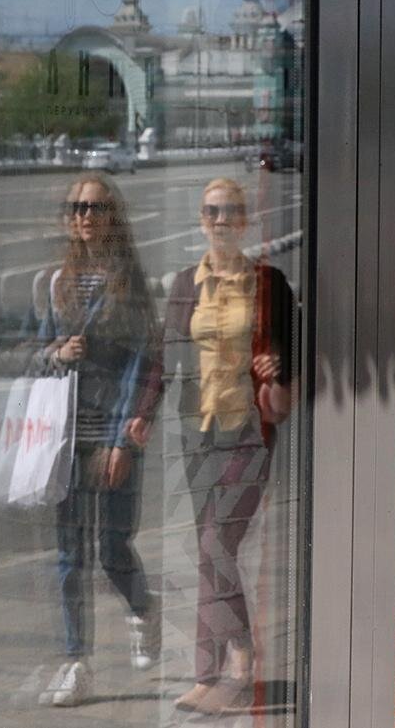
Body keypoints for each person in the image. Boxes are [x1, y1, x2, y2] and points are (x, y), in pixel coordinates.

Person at [129, 177, 294, 714]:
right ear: (201, 221)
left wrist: (278, 364)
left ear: (244, 222)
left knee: (215, 545)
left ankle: (241, 661)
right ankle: (206, 675)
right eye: (211, 212)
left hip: (249, 432)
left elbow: (296, 349)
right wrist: (144, 411)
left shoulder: (269, 284)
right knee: (208, 549)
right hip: (198, 433)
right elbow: (163, 354)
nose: (221, 220)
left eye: (230, 211)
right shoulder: (186, 283)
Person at [32, 173, 161, 708]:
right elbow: (32, 351)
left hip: (111, 433)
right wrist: (56, 354)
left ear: (113, 217)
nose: (85, 216)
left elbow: (145, 365)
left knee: (111, 548)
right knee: (69, 556)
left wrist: (122, 440)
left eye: (95, 207)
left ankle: (143, 609)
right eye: (77, 208)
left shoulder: (129, 284)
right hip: (64, 436)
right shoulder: (55, 281)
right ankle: (76, 662)